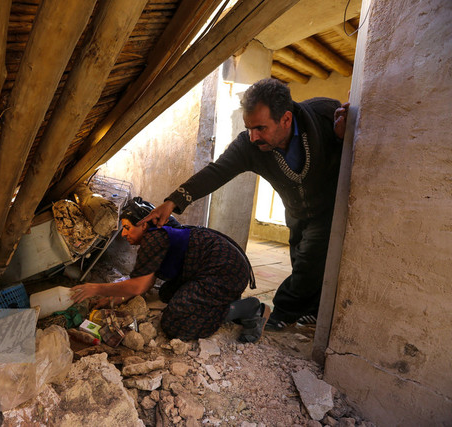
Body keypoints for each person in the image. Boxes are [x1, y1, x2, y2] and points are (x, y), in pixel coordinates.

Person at [139, 78, 349, 331]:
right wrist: (173, 202)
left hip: (327, 209)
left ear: (286, 119)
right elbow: (216, 172)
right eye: (249, 128)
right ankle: (314, 309)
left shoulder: (324, 115)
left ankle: (280, 311)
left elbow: (349, 144)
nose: (253, 136)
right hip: (295, 212)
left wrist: (340, 138)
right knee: (303, 259)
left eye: (260, 128)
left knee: (309, 261)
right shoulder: (249, 147)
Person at [71, 197, 270, 342]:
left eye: (127, 227)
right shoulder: (156, 235)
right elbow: (146, 282)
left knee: (175, 323)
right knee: (167, 293)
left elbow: (139, 286)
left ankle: (247, 308)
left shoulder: (154, 238)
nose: (123, 234)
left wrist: (96, 288)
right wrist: (114, 299)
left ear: (143, 224)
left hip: (226, 271)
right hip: (211, 270)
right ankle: (222, 300)